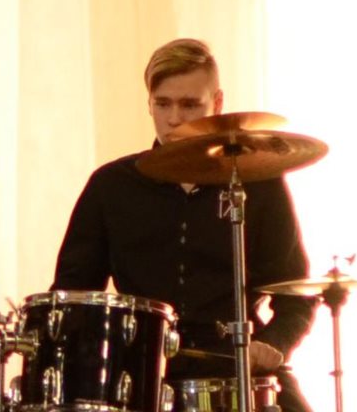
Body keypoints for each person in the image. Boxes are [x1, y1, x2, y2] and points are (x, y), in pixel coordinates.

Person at [51, 38, 316, 412]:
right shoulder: (110, 186)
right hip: (142, 372)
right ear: (149, 103)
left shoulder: (259, 182)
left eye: (190, 104)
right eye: (163, 103)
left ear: (217, 104)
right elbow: (72, 295)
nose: (174, 119)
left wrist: (273, 343)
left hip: (237, 364)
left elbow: (295, 296)